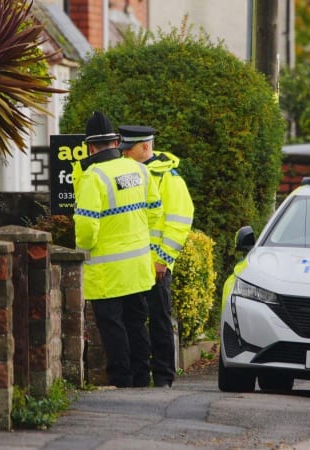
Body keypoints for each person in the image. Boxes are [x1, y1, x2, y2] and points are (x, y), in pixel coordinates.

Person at [73, 112, 163, 388]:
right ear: (116, 142)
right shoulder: (139, 170)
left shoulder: (93, 177)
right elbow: (155, 213)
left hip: (107, 271)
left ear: (90, 147)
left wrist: (83, 249)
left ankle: (122, 381)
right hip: (137, 268)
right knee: (136, 323)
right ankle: (141, 377)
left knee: (113, 327)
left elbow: (87, 228)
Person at [119, 124, 194, 388]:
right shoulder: (127, 175)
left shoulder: (169, 178)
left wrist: (162, 258)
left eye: (129, 149)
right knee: (133, 320)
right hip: (131, 263)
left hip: (155, 265)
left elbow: (179, 222)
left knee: (159, 320)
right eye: (123, 149)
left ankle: (163, 378)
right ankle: (140, 378)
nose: (124, 154)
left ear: (146, 147)